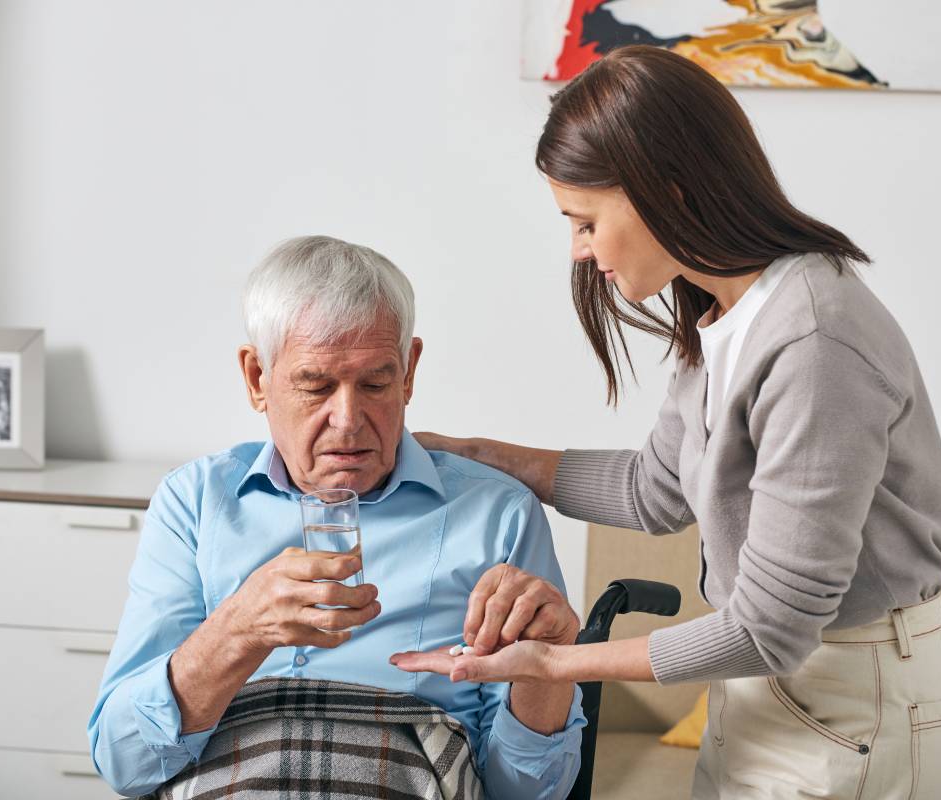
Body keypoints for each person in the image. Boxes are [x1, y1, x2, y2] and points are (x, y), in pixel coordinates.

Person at [392, 46, 941, 799]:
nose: (579, 251)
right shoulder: (726, 309)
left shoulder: (814, 342)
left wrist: (557, 663)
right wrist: (465, 453)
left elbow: (770, 628)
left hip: (848, 701)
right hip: (766, 689)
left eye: (586, 222)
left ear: (665, 191)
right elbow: (654, 490)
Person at [88, 236, 585, 799]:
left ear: (408, 372)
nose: (347, 420)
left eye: (374, 383)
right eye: (315, 385)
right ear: (256, 377)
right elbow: (125, 762)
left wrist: (549, 669)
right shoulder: (194, 502)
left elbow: (528, 794)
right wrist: (238, 632)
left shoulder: (498, 514)